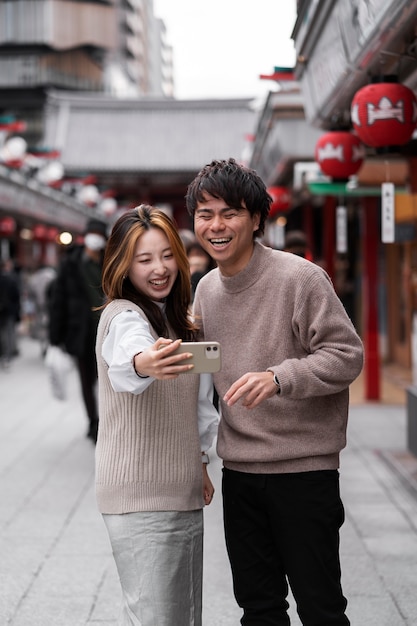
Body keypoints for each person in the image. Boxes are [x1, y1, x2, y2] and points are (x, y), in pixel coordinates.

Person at [185, 158, 364, 626]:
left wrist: (280, 376)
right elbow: (203, 381)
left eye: (230, 213)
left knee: (321, 607)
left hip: (305, 472)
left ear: (257, 218)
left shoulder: (299, 278)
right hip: (240, 474)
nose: (216, 226)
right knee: (258, 608)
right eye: (205, 214)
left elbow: (347, 355)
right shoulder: (204, 290)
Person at [95, 205, 218, 626]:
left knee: (184, 614)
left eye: (167, 255)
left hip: (181, 490)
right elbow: (127, 363)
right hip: (141, 496)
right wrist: (144, 363)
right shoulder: (123, 316)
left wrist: (201, 462)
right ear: (122, 265)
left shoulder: (181, 321)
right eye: (144, 259)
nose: (159, 268)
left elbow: (200, 404)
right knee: (158, 617)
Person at [48, 218, 107, 442]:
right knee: (86, 378)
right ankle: (93, 421)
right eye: (91, 233)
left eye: (98, 234)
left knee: (107, 378)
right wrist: (55, 337)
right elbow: (58, 300)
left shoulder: (108, 261)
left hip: (107, 330)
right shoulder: (71, 263)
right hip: (81, 330)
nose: (94, 238)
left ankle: (108, 419)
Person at [0, 259, 21, 367]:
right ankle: (8, 354)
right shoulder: (12, 279)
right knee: (9, 332)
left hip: (4, 310)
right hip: (9, 310)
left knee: (4, 333)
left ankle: (5, 354)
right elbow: (16, 297)